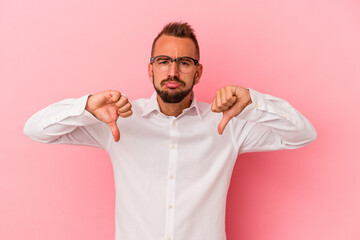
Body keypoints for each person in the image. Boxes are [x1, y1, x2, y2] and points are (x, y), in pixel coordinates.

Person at [24, 22, 317, 240]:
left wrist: (253, 102)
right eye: (163, 62)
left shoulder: (227, 124)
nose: (173, 72)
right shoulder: (117, 119)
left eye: (184, 62)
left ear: (198, 72)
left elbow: (303, 134)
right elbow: (36, 130)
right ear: (150, 70)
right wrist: (87, 106)